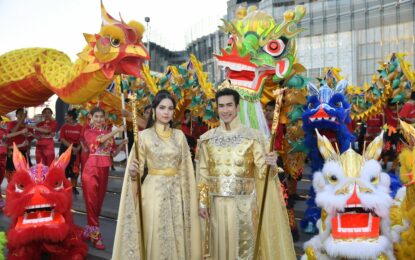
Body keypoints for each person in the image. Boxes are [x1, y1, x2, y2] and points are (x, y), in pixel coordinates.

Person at [197, 88, 295, 259]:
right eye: (221, 106)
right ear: (217, 108)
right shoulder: (207, 139)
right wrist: (203, 201)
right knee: (218, 249)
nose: (225, 110)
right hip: (216, 206)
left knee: (244, 251)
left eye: (229, 105)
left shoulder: (253, 137)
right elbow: (203, 173)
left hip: (245, 207)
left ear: (237, 108)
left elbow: (262, 173)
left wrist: (271, 164)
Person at [113, 90, 201, 260]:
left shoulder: (179, 136)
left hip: (176, 193)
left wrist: (188, 197)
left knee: (176, 233)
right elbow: (137, 170)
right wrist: (133, 173)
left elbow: (186, 170)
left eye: (170, 108)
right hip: (152, 193)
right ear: (154, 110)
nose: (166, 112)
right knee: (156, 233)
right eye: (162, 107)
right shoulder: (144, 136)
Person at [82, 107, 127, 250]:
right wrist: (116, 131)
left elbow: (112, 154)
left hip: (104, 170)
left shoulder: (109, 134)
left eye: (102, 117)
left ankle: (89, 230)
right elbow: (99, 141)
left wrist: (122, 144)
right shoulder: (88, 132)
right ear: (90, 117)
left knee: (98, 205)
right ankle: (96, 236)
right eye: (96, 116)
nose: (99, 119)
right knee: (91, 203)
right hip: (91, 170)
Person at [0, 116, 28, 209]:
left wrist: (21, 144)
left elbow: (8, 142)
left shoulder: (4, 130)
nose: (4, 124)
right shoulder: (3, 133)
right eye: (2, 122)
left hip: (3, 158)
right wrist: (21, 132)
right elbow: (6, 136)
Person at [59, 109, 82, 194]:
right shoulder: (64, 127)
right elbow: (62, 139)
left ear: (71, 117)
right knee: (64, 168)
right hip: (65, 148)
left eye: (66, 115)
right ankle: (64, 187)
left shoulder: (80, 127)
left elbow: (82, 139)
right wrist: (72, 148)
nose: (65, 117)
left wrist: (78, 148)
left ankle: (74, 187)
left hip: (76, 149)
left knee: (75, 169)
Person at [6, 108, 31, 176]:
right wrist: (21, 131)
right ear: (16, 115)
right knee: (12, 172)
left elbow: (29, 139)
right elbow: (11, 133)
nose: (21, 115)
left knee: (25, 172)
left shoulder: (27, 126)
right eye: (20, 114)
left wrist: (28, 148)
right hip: (13, 150)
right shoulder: (11, 123)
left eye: (23, 114)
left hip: (24, 150)